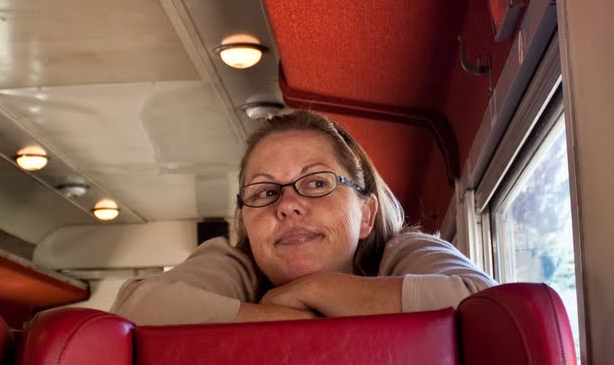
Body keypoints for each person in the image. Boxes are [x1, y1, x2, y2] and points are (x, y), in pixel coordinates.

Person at [112, 110, 493, 324]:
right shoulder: (235, 266)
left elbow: (494, 306)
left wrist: (312, 291)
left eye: (315, 184)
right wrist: (270, 318)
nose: (287, 204)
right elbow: (135, 307)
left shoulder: (402, 252)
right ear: (246, 222)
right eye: (264, 192)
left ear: (366, 213)